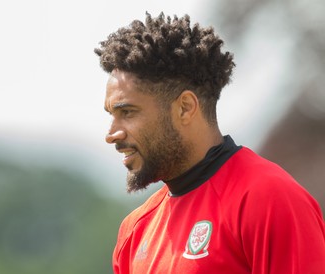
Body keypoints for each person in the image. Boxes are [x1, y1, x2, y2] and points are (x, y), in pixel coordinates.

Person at [94, 12, 325, 273]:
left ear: (185, 108)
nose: (112, 133)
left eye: (128, 112)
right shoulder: (134, 230)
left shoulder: (269, 199)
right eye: (111, 115)